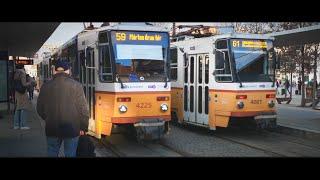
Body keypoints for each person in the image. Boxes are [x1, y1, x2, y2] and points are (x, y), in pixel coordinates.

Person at [37, 59, 89, 157]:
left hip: (51, 128)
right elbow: (83, 109)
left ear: (55, 71)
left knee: (52, 152)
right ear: (68, 71)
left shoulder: (45, 86)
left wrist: (48, 118)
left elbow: (39, 108)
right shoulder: (76, 86)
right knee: (70, 154)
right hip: (72, 129)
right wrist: (83, 127)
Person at [13, 64, 32, 130]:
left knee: (18, 108)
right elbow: (24, 84)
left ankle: (16, 124)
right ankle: (23, 125)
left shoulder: (15, 73)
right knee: (24, 108)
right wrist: (29, 82)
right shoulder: (22, 73)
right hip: (22, 93)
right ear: (22, 67)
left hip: (17, 92)